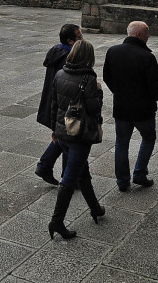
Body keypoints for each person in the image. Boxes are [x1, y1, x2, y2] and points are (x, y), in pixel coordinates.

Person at [48, 40, 105, 240]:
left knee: (83, 173)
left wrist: (55, 130)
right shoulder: (88, 79)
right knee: (70, 179)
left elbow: (54, 104)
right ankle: (57, 220)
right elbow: (94, 108)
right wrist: (98, 91)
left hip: (63, 132)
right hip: (79, 135)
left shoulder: (60, 73)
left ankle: (95, 208)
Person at [103, 21, 158, 192]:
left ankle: (122, 180)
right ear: (137, 34)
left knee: (121, 143)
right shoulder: (147, 56)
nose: (149, 35)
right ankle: (139, 173)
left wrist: (118, 92)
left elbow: (107, 76)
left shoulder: (113, 51)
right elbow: (156, 85)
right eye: (147, 32)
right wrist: (151, 99)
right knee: (149, 138)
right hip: (143, 109)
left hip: (121, 106)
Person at [34, 23, 82, 185]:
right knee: (68, 137)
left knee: (63, 136)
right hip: (63, 104)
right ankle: (68, 177)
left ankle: (46, 165)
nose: (82, 39)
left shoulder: (56, 51)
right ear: (70, 41)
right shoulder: (69, 57)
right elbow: (69, 84)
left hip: (53, 100)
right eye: (79, 37)